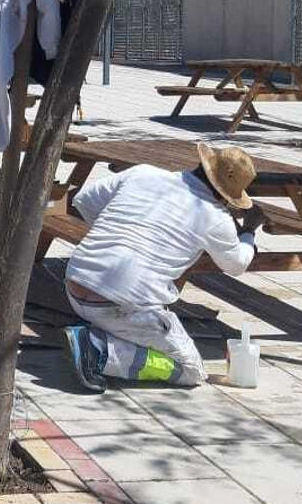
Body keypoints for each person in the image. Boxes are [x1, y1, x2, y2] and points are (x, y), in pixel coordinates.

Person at [62, 143, 265, 391]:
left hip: (75, 284)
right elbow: (237, 264)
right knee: (191, 371)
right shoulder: (215, 217)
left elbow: (83, 200)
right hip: (117, 305)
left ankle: (102, 336)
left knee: (133, 313)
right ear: (226, 196)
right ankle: (99, 350)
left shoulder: (143, 173)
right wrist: (248, 235)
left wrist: (120, 235)